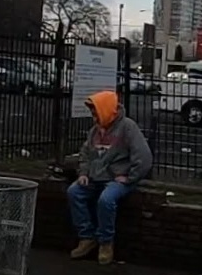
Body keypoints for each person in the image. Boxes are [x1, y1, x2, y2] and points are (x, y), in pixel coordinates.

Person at [66, 87, 154, 263]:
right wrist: (83, 173)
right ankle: (87, 237)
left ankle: (106, 242)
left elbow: (144, 157)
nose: (94, 117)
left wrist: (130, 177)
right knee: (74, 192)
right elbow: (85, 154)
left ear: (105, 110)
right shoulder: (95, 131)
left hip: (118, 178)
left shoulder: (127, 127)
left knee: (106, 200)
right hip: (95, 176)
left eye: (96, 113)